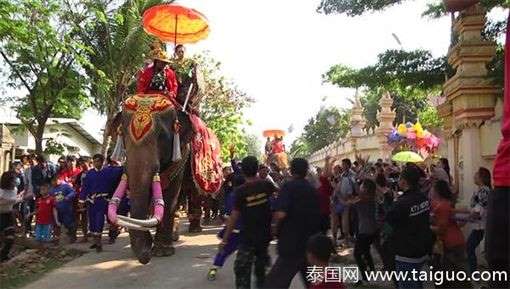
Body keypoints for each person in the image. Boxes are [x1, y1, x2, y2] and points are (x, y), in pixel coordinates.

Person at [220, 156, 277, 289]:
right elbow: (278, 195)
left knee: (241, 270)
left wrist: (225, 239)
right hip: (264, 236)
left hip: (247, 238)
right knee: (260, 270)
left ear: (243, 171)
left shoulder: (240, 192)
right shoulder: (266, 185)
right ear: (257, 169)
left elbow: (234, 217)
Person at [265, 158, 321, 289]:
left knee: (274, 283)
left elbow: (281, 214)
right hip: (309, 242)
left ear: (291, 170)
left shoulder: (288, 187)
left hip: (291, 242)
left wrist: (274, 228)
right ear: (306, 171)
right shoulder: (311, 189)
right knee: (313, 282)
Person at [386, 164, 434, 289]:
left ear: (404, 181)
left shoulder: (401, 204)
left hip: (406, 255)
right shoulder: (423, 198)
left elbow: (389, 223)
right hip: (422, 251)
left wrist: (393, 202)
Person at [430, 180, 472, 288]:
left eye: (433, 188)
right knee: (456, 275)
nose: (432, 190)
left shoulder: (442, 206)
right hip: (456, 242)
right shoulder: (445, 204)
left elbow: (441, 229)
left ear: (437, 191)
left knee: (456, 278)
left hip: (451, 244)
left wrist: (427, 227)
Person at [79, 154, 123, 252]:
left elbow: (122, 169)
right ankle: (95, 241)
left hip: (104, 200)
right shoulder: (89, 174)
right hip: (92, 201)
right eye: (94, 161)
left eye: (98, 161)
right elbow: (84, 188)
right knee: (93, 221)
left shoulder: (109, 171)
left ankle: (100, 243)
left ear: (103, 161)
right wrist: (81, 200)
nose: (96, 163)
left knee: (99, 220)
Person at [465, 167, 491, 274]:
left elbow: (479, 210)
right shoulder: (481, 190)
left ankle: (474, 273)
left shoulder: (484, 191)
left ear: (481, 177)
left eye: (476, 173)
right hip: (480, 226)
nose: (474, 175)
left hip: (482, 226)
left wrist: (468, 216)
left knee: (470, 247)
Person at [332, 158, 357, 245]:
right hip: (339, 202)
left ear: (347, 165)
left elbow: (352, 189)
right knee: (338, 222)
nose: (342, 167)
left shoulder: (350, 176)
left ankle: (349, 236)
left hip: (346, 200)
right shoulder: (340, 177)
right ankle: (341, 237)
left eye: (343, 165)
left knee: (348, 220)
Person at [0, 171, 23, 262]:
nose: (16, 181)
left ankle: (3, 256)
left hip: (8, 215)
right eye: (13, 180)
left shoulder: (15, 190)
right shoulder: (1, 191)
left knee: (10, 237)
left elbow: (14, 201)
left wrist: (19, 199)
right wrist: (10, 201)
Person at [49, 176, 77, 244]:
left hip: (67, 208)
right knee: (57, 225)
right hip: (57, 210)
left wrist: (67, 197)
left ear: (59, 180)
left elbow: (73, 192)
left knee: (69, 223)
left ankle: (72, 237)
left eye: (55, 180)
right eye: (52, 181)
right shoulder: (52, 190)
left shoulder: (66, 186)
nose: (54, 182)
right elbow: (50, 198)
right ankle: (57, 239)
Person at [75, 156, 91, 242]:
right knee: (84, 216)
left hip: (95, 197)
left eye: (83, 162)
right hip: (84, 198)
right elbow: (77, 186)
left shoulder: (93, 172)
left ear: (88, 162)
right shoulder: (80, 175)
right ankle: (85, 235)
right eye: (81, 163)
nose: (82, 165)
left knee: (94, 216)